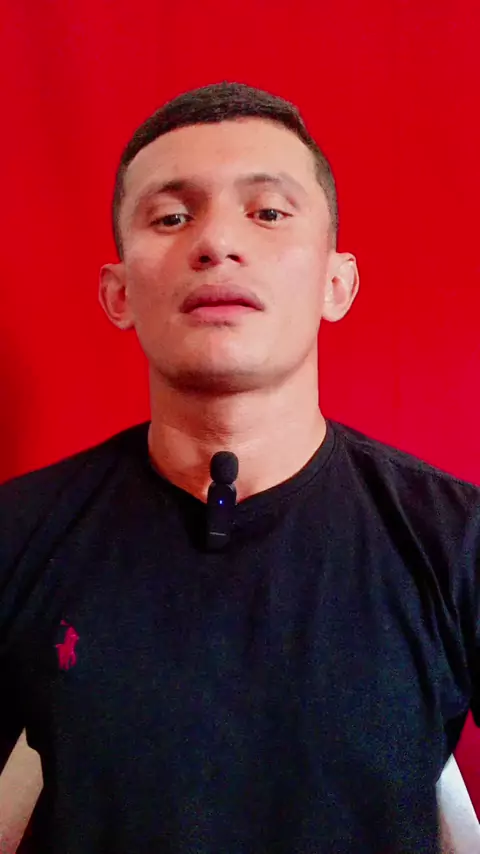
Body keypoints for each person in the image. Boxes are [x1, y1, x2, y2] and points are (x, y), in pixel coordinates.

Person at [0, 80, 479, 854]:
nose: (217, 242)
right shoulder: (18, 533)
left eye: (268, 213)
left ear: (336, 283)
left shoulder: (455, 542)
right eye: (171, 217)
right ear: (118, 295)